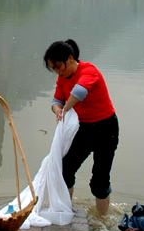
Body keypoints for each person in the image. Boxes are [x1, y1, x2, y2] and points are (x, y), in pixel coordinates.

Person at [43, 39, 119, 217]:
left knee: (99, 181)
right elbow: (56, 101)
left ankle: (102, 219)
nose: (57, 72)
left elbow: (79, 92)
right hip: (84, 129)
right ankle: (66, 212)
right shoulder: (62, 79)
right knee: (65, 169)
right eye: (53, 69)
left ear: (70, 59)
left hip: (106, 129)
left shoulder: (89, 71)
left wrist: (66, 108)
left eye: (58, 66)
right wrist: (58, 110)